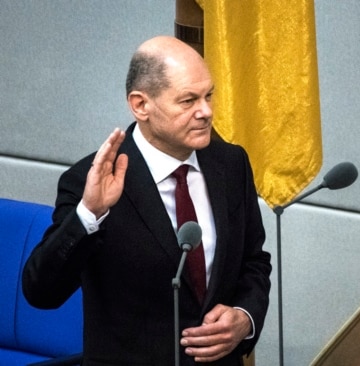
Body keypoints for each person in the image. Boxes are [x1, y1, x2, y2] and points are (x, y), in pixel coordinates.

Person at [22, 35, 272, 366]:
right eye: (188, 101)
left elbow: (254, 260)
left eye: (209, 95)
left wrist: (245, 317)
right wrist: (89, 214)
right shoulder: (92, 180)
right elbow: (41, 291)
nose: (206, 112)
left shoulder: (230, 163)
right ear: (141, 105)